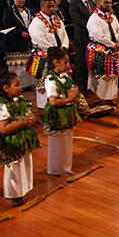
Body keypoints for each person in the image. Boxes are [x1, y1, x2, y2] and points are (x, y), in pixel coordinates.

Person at [0, 69, 40, 206]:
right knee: (13, 168)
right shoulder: (0, 105)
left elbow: (28, 117)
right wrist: (23, 122)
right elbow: (3, 129)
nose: (20, 87)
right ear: (6, 88)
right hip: (11, 143)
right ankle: (10, 195)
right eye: (17, 85)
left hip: (23, 141)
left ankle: (20, 193)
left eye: (20, 84)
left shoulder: (22, 101)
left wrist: (32, 119)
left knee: (23, 166)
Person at [43, 47, 80, 176]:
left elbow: (70, 91)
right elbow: (53, 102)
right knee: (58, 144)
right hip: (57, 115)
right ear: (56, 62)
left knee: (67, 142)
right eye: (65, 62)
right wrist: (69, 98)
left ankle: (66, 167)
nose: (68, 65)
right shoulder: (50, 79)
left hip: (67, 113)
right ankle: (56, 169)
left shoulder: (64, 76)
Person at [27, 0, 70, 109]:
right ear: (42, 7)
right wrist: (55, 50)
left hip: (59, 55)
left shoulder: (58, 19)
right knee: (44, 85)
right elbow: (39, 40)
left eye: (53, 6)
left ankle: (60, 103)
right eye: (49, 6)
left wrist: (64, 47)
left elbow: (64, 35)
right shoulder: (36, 22)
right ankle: (44, 108)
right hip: (45, 56)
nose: (52, 8)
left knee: (60, 81)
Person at [86, 0, 119, 104]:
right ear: (98, 4)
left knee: (112, 75)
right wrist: (113, 44)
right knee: (101, 75)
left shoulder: (112, 16)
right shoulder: (94, 18)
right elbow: (99, 36)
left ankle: (109, 98)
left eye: (110, 3)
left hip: (114, 49)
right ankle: (99, 98)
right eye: (105, 3)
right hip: (100, 49)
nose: (109, 5)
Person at [2, 0, 34, 89]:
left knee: (27, 65)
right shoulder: (9, 11)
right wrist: (20, 33)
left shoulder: (29, 10)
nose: (21, 0)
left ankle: (27, 85)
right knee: (17, 67)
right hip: (14, 42)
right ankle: (17, 85)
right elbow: (7, 26)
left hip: (28, 41)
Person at [69, 0, 94, 90]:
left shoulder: (91, 4)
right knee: (79, 63)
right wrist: (92, 25)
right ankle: (79, 85)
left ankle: (86, 84)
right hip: (81, 37)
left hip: (90, 37)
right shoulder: (75, 4)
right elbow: (77, 20)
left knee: (87, 63)